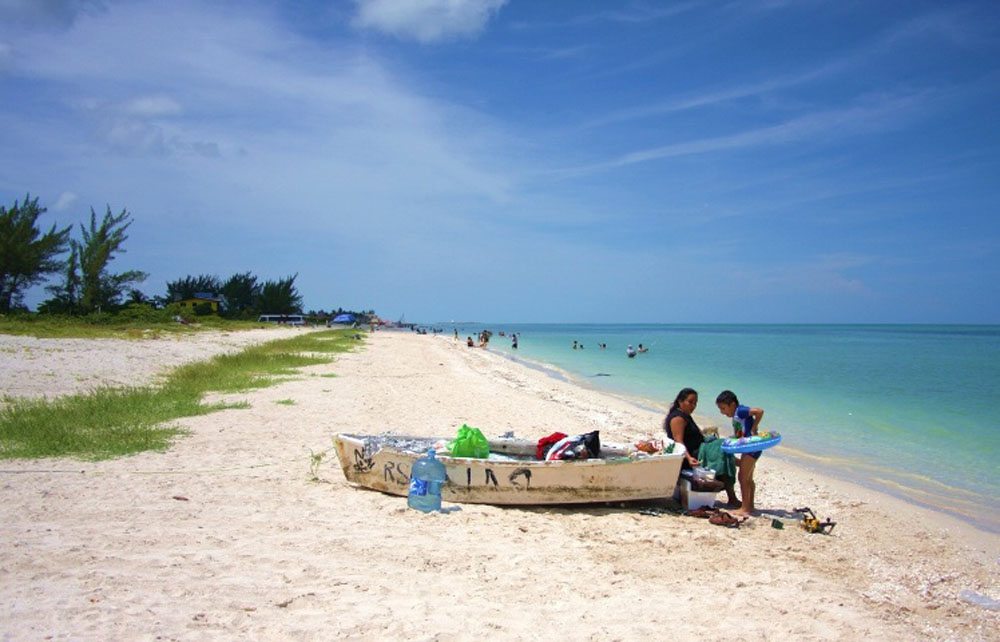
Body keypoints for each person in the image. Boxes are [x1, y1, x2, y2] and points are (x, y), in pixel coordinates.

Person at [716, 390, 765, 517]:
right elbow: (741, 430)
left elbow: (759, 411)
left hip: (751, 447)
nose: (722, 412)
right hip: (748, 447)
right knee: (748, 478)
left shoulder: (740, 411)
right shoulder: (737, 414)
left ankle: (745, 508)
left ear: (732, 405)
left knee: (743, 477)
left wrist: (754, 428)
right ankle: (750, 506)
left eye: (723, 408)